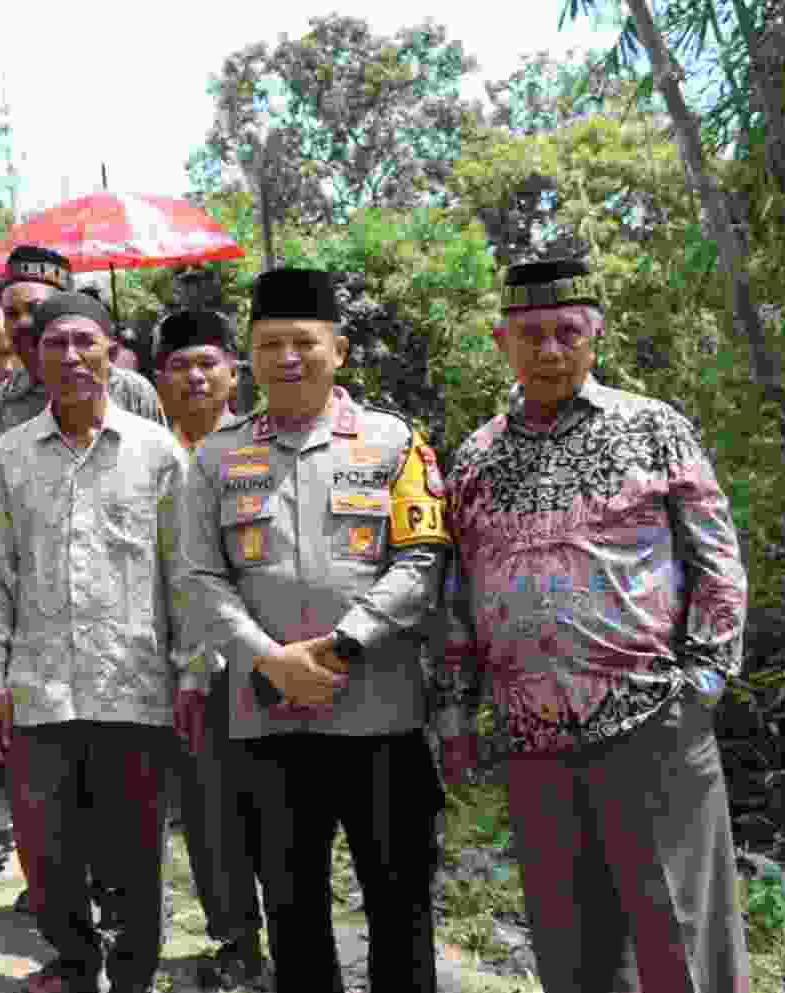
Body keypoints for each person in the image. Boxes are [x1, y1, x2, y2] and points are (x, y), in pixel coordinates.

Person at [435, 259, 751, 992]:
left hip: (650, 723)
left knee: (681, 939)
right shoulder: (475, 458)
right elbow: (457, 596)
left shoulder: (652, 427)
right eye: (531, 335)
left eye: (567, 333)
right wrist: (454, 712)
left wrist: (701, 680)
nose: (549, 349)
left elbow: (717, 561)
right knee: (571, 944)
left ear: (595, 337)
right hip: (532, 739)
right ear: (500, 341)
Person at [176, 267, 451, 993]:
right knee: (291, 904)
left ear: (340, 349)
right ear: (249, 357)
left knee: (400, 901)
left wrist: (345, 641)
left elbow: (422, 558)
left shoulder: (395, 443)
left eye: (304, 341)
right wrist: (269, 659)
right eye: (269, 343)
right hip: (267, 721)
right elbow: (199, 577)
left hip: (379, 716)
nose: (287, 357)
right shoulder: (215, 455)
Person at [0, 290, 201, 993]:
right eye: (54, 345)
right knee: (47, 852)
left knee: (134, 851)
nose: (70, 358)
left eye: (84, 343)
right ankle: (73, 961)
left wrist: (191, 675)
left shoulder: (157, 453)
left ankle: (131, 974)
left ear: (111, 351)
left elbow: (185, 572)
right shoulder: (4, 459)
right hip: (38, 691)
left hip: (136, 686)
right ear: (34, 358)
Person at [151, 310, 266, 990]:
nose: (195, 377)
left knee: (274, 808)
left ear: (232, 372)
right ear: (157, 378)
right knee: (206, 810)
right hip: (178, 666)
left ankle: (290, 929)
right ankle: (234, 938)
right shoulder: (147, 454)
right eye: (178, 366)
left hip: (260, 659)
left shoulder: (260, 445)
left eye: (207, 363)